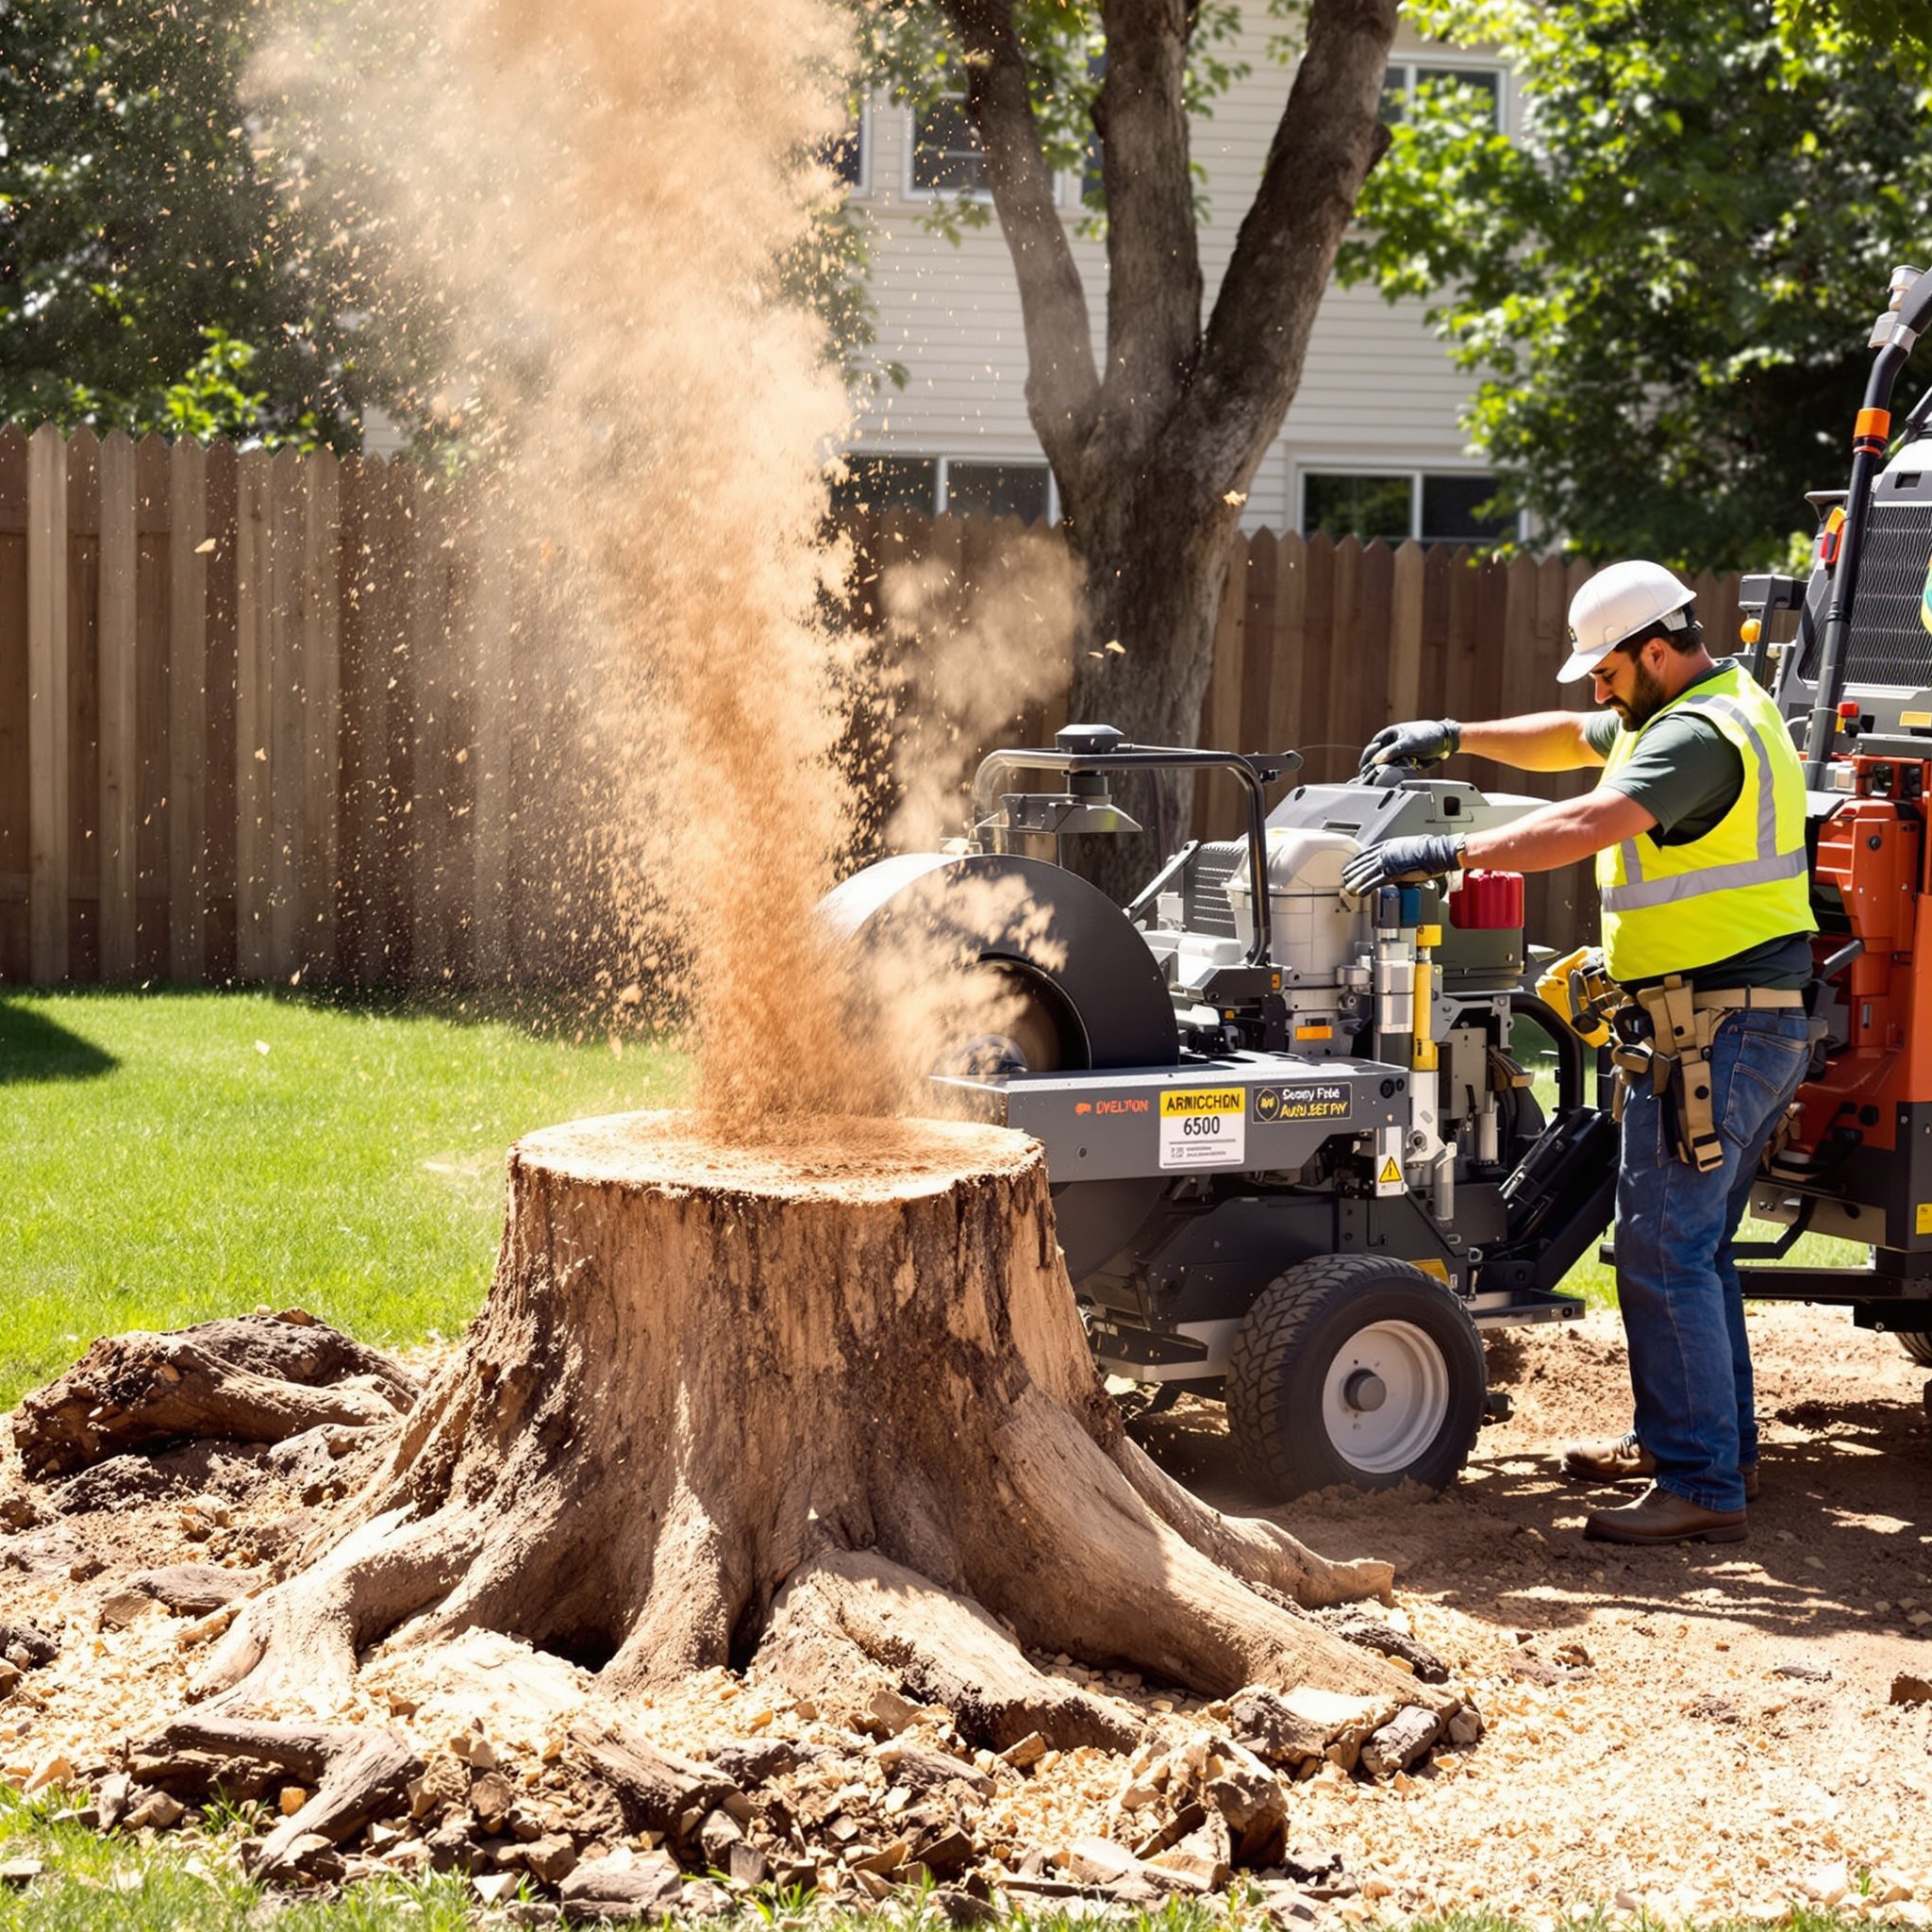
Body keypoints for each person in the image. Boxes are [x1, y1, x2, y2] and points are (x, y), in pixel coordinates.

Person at [1344, 559, 1816, 1546]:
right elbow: (1568, 738)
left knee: (1661, 1244)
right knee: (1695, 1245)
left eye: (1604, 671)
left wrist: (1451, 850)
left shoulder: (1691, 736)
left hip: (1718, 1024)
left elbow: (1589, 817)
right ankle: (1704, 1450)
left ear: (1653, 649)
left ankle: (1698, 1482)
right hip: (1729, 1017)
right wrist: (1454, 736)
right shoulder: (1695, 704)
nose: (1595, 692)